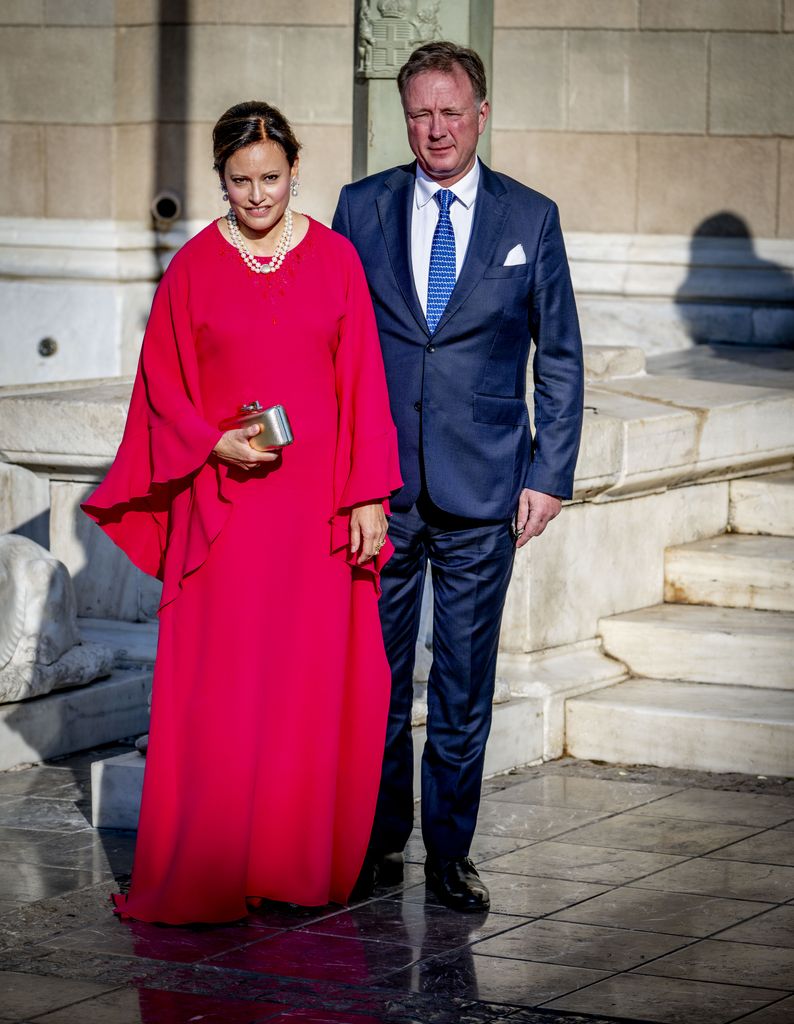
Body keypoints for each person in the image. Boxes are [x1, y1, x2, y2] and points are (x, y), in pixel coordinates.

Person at [83, 101, 402, 925]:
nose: (256, 195)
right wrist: (214, 444)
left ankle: (292, 865)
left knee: (306, 684)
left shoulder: (335, 260)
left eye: (270, 177)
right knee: (225, 690)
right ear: (219, 179)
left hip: (316, 513)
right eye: (239, 180)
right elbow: (161, 391)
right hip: (225, 515)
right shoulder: (191, 267)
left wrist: (368, 492)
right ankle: (217, 859)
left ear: (296, 170)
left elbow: (364, 379)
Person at [334, 43, 584, 912]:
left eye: (451, 112)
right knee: (374, 680)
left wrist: (549, 473)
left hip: (486, 495)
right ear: (404, 117)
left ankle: (449, 855)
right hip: (381, 494)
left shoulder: (532, 218)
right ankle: (375, 846)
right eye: (419, 114)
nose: (435, 130)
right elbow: (335, 345)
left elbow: (560, 357)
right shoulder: (360, 208)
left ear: (482, 113)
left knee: (463, 683)